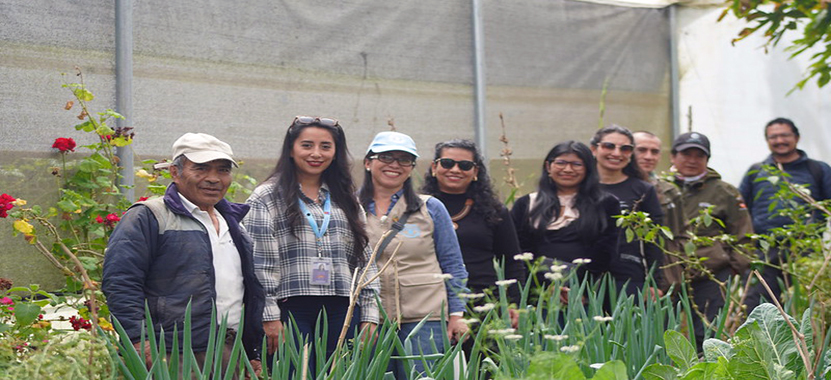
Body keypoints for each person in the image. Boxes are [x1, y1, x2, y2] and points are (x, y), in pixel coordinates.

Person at [102, 133, 264, 376]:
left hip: (230, 349)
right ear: (175, 172)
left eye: (222, 170)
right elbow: (121, 282)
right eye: (200, 168)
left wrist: (251, 350)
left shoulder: (233, 222)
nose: (213, 179)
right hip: (173, 352)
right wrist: (139, 341)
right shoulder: (149, 217)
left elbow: (246, 290)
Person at [243, 116, 379, 375]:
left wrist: (370, 314)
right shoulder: (266, 197)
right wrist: (269, 316)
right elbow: (260, 264)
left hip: (342, 307)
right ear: (291, 149)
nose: (316, 153)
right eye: (307, 145)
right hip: (290, 308)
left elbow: (365, 261)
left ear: (336, 152)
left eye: (325, 146)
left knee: (341, 374)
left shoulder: (346, 198)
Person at [358, 131, 469, 379]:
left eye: (404, 159)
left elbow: (453, 264)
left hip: (425, 318)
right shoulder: (351, 208)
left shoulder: (429, 207)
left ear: (411, 168)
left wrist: (456, 315)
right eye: (386, 157)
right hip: (370, 319)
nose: (394, 165)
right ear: (368, 162)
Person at [670, 131, 753, 350]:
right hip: (667, 274)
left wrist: (731, 268)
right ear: (673, 156)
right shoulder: (659, 189)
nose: (692, 160)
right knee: (664, 330)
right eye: (686, 153)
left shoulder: (724, 192)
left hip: (711, 275)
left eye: (699, 155)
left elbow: (744, 233)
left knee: (707, 334)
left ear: (707, 160)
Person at [739, 118, 831, 312]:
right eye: (773, 137)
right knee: (759, 304)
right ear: (767, 141)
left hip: (805, 249)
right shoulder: (757, 171)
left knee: (807, 305)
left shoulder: (817, 169)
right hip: (764, 249)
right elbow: (740, 208)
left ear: (796, 137)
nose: (779, 140)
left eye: (785, 135)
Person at [420, 139, 525, 305]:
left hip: (484, 301)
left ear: (475, 171)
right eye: (447, 163)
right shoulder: (417, 208)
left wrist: (515, 305)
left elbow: (512, 263)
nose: (455, 170)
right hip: (430, 300)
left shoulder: (494, 211)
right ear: (434, 167)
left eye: (465, 165)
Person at [511, 141, 620, 284]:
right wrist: (545, 284)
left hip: (588, 289)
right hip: (538, 288)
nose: (568, 169)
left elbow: (606, 250)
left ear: (588, 169)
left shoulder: (606, 204)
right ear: (548, 167)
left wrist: (577, 285)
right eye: (561, 163)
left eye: (577, 164)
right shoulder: (526, 204)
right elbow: (518, 248)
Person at [589, 125, 664, 295]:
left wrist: (655, 283)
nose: (616, 153)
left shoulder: (643, 190)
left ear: (631, 154)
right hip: (584, 274)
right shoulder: (580, 187)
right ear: (594, 149)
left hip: (628, 276)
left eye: (625, 149)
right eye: (609, 146)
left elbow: (654, 242)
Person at [633, 131, 686, 292]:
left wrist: (677, 271)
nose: (649, 156)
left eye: (654, 152)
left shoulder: (669, 191)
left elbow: (681, 233)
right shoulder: (614, 187)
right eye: (641, 150)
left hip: (661, 275)